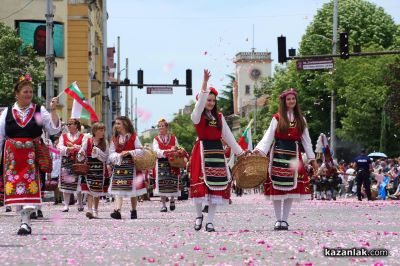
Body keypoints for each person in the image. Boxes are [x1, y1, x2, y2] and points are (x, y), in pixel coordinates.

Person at [0, 74, 61, 235]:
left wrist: (53, 110)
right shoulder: (7, 112)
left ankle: (26, 221)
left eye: (30, 92)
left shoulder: (38, 111)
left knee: (30, 187)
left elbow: (53, 129)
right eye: (25, 91)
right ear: (17, 94)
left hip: (31, 156)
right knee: (15, 189)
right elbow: (0, 136)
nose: (28, 94)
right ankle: (24, 221)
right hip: (12, 156)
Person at [253, 88, 318, 230]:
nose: (291, 101)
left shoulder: (301, 119)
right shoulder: (277, 118)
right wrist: (259, 150)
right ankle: (278, 220)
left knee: (291, 188)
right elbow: (268, 137)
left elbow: (306, 141)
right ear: (284, 101)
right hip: (278, 154)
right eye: (288, 99)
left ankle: (285, 220)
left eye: (293, 99)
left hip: (294, 155)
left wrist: (312, 160)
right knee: (277, 187)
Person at [190, 69, 245, 232]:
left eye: (213, 100)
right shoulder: (197, 116)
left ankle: (210, 222)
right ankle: (199, 215)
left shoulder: (219, 117)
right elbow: (199, 105)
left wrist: (241, 153)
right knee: (199, 187)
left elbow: (228, 137)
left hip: (216, 153)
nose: (211, 102)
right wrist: (205, 83)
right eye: (208, 99)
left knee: (217, 187)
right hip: (201, 152)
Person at [108, 116, 146, 219]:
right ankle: (117, 211)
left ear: (125, 124)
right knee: (118, 189)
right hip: (119, 166)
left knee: (132, 190)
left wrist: (129, 152)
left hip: (131, 166)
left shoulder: (133, 137)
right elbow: (111, 153)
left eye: (118, 123)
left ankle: (133, 210)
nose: (116, 126)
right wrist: (118, 155)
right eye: (116, 124)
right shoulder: (115, 138)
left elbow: (141, 151)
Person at [77, 122, 109, 219]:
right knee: (89, 191)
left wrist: (98, 153)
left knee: (97, 192)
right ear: (95, 131)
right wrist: (81, 154)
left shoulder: (105, 142)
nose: (102, 132)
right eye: (100, 130)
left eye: (103, 130)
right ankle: (89, 210)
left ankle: (95, 210)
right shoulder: (88, 141)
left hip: (100, 170)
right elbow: (80, 154)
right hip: (89, 170)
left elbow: (106, 157)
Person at [57, 118, 87, 212]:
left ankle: (80, 202)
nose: (68, 126)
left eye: (70, 124)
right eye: (68, 124)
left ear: (76, 125)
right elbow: (59, 147)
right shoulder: (63, 136)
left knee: (78, 183)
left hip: (78, 161)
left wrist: (75, 147)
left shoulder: (83, 136)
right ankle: (66, 204)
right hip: (67, 161)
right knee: (66, 183)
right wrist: (68, 149)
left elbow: (85, 147)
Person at [152, 118, 181, 212]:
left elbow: (177, 147)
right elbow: (155, 151)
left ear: (166, 127)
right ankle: (163, 205)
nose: (160, 128)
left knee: (173, 181)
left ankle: (172, 200)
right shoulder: (156, 139)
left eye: (162, 126)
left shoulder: (173, 137)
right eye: (159, 126)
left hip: (173, 162)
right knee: (161, 183)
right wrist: (167, 151)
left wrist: (175, 149)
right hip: (161, 163)